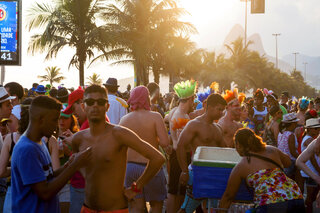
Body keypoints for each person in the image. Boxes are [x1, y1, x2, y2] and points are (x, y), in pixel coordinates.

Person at [70, 85, 165, 212]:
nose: (95, 106)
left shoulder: (118, 134)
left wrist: (136, 188)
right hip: (88, 208)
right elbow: (77, 163)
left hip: (115, 209)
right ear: (83, 106)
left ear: (107, 106)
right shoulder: (78, 139)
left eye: (101, 102)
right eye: (90, 102)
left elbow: (158, 158)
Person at [11, 95, 92, 213]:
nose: (57, 126)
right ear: (41, 119)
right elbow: (45, 192)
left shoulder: (39, 142)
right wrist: (75, 166)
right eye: (54, 120)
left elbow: (47, 176)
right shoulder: (27, 149)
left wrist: (68, 165)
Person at [219, 128, 305, 213]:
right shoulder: (271, 150)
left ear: (238, 145)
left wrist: (221, 210)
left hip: (271, 203)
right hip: (295, 196)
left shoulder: (241, 166)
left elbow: (228, 196)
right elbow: (288, 162)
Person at [119, 86, 170, 213]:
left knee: (136, 206)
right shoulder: (155, 116)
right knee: (156, 205)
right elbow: (164, 142)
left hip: (130, 167)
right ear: (147, 99)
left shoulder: (124, 119)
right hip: (151, 167)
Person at [177, 94, 227, 213]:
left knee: (214, 210)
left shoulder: (218, 128)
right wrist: (184, 171)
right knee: (186, 208)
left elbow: (225, 151)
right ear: (209, 107)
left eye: (223, 110)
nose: (221, 113)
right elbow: (180, 146)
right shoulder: (194, 124)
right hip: (198, 173)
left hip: (215, 176)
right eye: (219, 109)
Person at [166, 80, 197, 213]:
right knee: (177, 193)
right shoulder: (181, 117)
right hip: (180, 157)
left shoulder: (174, 111)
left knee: (175, 191)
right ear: (190, 99)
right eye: (193, 99)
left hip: (175, 155)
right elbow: (183, 143)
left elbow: (165, 120)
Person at [0, 98, 32, 213]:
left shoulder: (10, 138)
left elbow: (1, 171)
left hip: (12, 192)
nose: (12, 107)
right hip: (34, 195)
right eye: (7, 104)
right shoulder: (46, 140)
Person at [298, 118, 320, 213]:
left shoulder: (310, 138)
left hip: (311, 172)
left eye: (318, 128)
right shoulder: (310, 140)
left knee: (312, 196)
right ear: (309, 129)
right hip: (312, 171)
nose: (317, 130)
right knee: (310, 198)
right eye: (315, 128)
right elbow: (312, 159)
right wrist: (318, 171)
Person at [278, 113, 300, 180]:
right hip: (290, 161)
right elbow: (292, 152)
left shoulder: (281, 133)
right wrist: (301, 157)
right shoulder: (291, 135)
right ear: (293, 124)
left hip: (282, 160)